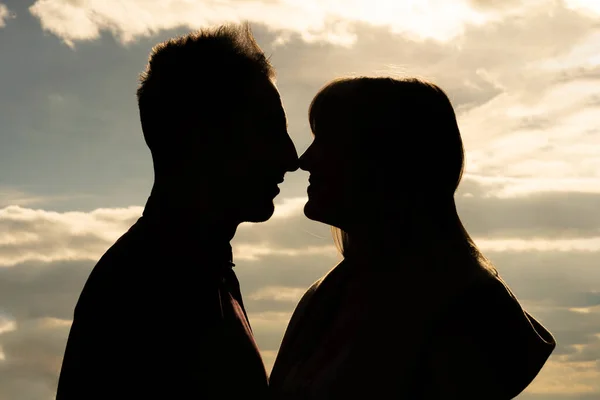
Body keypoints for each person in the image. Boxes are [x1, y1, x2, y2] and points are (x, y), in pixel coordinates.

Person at [268, 77, 556, 399]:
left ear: (389, 159)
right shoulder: (327, 297)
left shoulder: (472, 308)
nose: (304, 160)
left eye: (328, 141)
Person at [56, 24, 298, 400]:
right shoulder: (150, 289)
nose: (291, 157)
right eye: (268, 130)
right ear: (203, 137)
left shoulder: (194, 270)